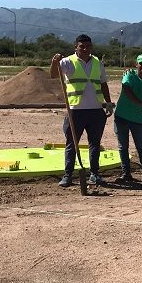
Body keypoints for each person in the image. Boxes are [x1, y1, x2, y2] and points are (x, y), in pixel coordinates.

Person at [49, 34, 114, 187]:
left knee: (95, 144)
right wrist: (54, 62)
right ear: (76, 47)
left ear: (91, 47)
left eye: (88, 46)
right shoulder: (67, 62)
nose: (85, 49)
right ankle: (68, 175)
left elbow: (103, 84)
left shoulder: (98, 62)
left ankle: (94, 174)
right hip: (75, 110)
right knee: (72, 143)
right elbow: (52, 75)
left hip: (96, 110)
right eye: (82, 46)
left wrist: (109, 103)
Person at [113, 53, 142, 184]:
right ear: (136, 65)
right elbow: (126, 90)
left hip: (138, 120)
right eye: (141, 63)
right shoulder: (129, 75)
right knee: (123, 146)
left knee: (141, 146)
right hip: (121, 116)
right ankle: (126, 173)